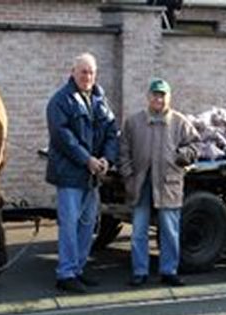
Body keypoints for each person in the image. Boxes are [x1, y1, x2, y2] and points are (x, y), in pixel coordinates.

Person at [46, 53, 119, 293]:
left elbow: (111, 131)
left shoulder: (100, 98)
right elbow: (63, 138)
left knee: (88, 224)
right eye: (83, 72)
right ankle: (65, 274)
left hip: (92, 175)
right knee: (69, 224)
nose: (87, 76)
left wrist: (107, 159)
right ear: (73, 72)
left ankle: (77, 269)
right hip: (70, 175)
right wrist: (86, 159)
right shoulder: (60, 101)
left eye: (91, 72)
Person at [120, 79, 199, 287]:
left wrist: (182, 155)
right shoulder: (133, 122)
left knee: (170, 230)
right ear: (148, 96)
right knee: (138, 231)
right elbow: (123, 150)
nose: (158, 98)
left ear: (169, 97)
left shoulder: (180, 122)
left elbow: (195, 146)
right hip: (141, 183)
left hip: (167, 184)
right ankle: (139, 271)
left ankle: (169, 270)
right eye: (155, 94)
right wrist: (128, 175)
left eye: (162, 95)